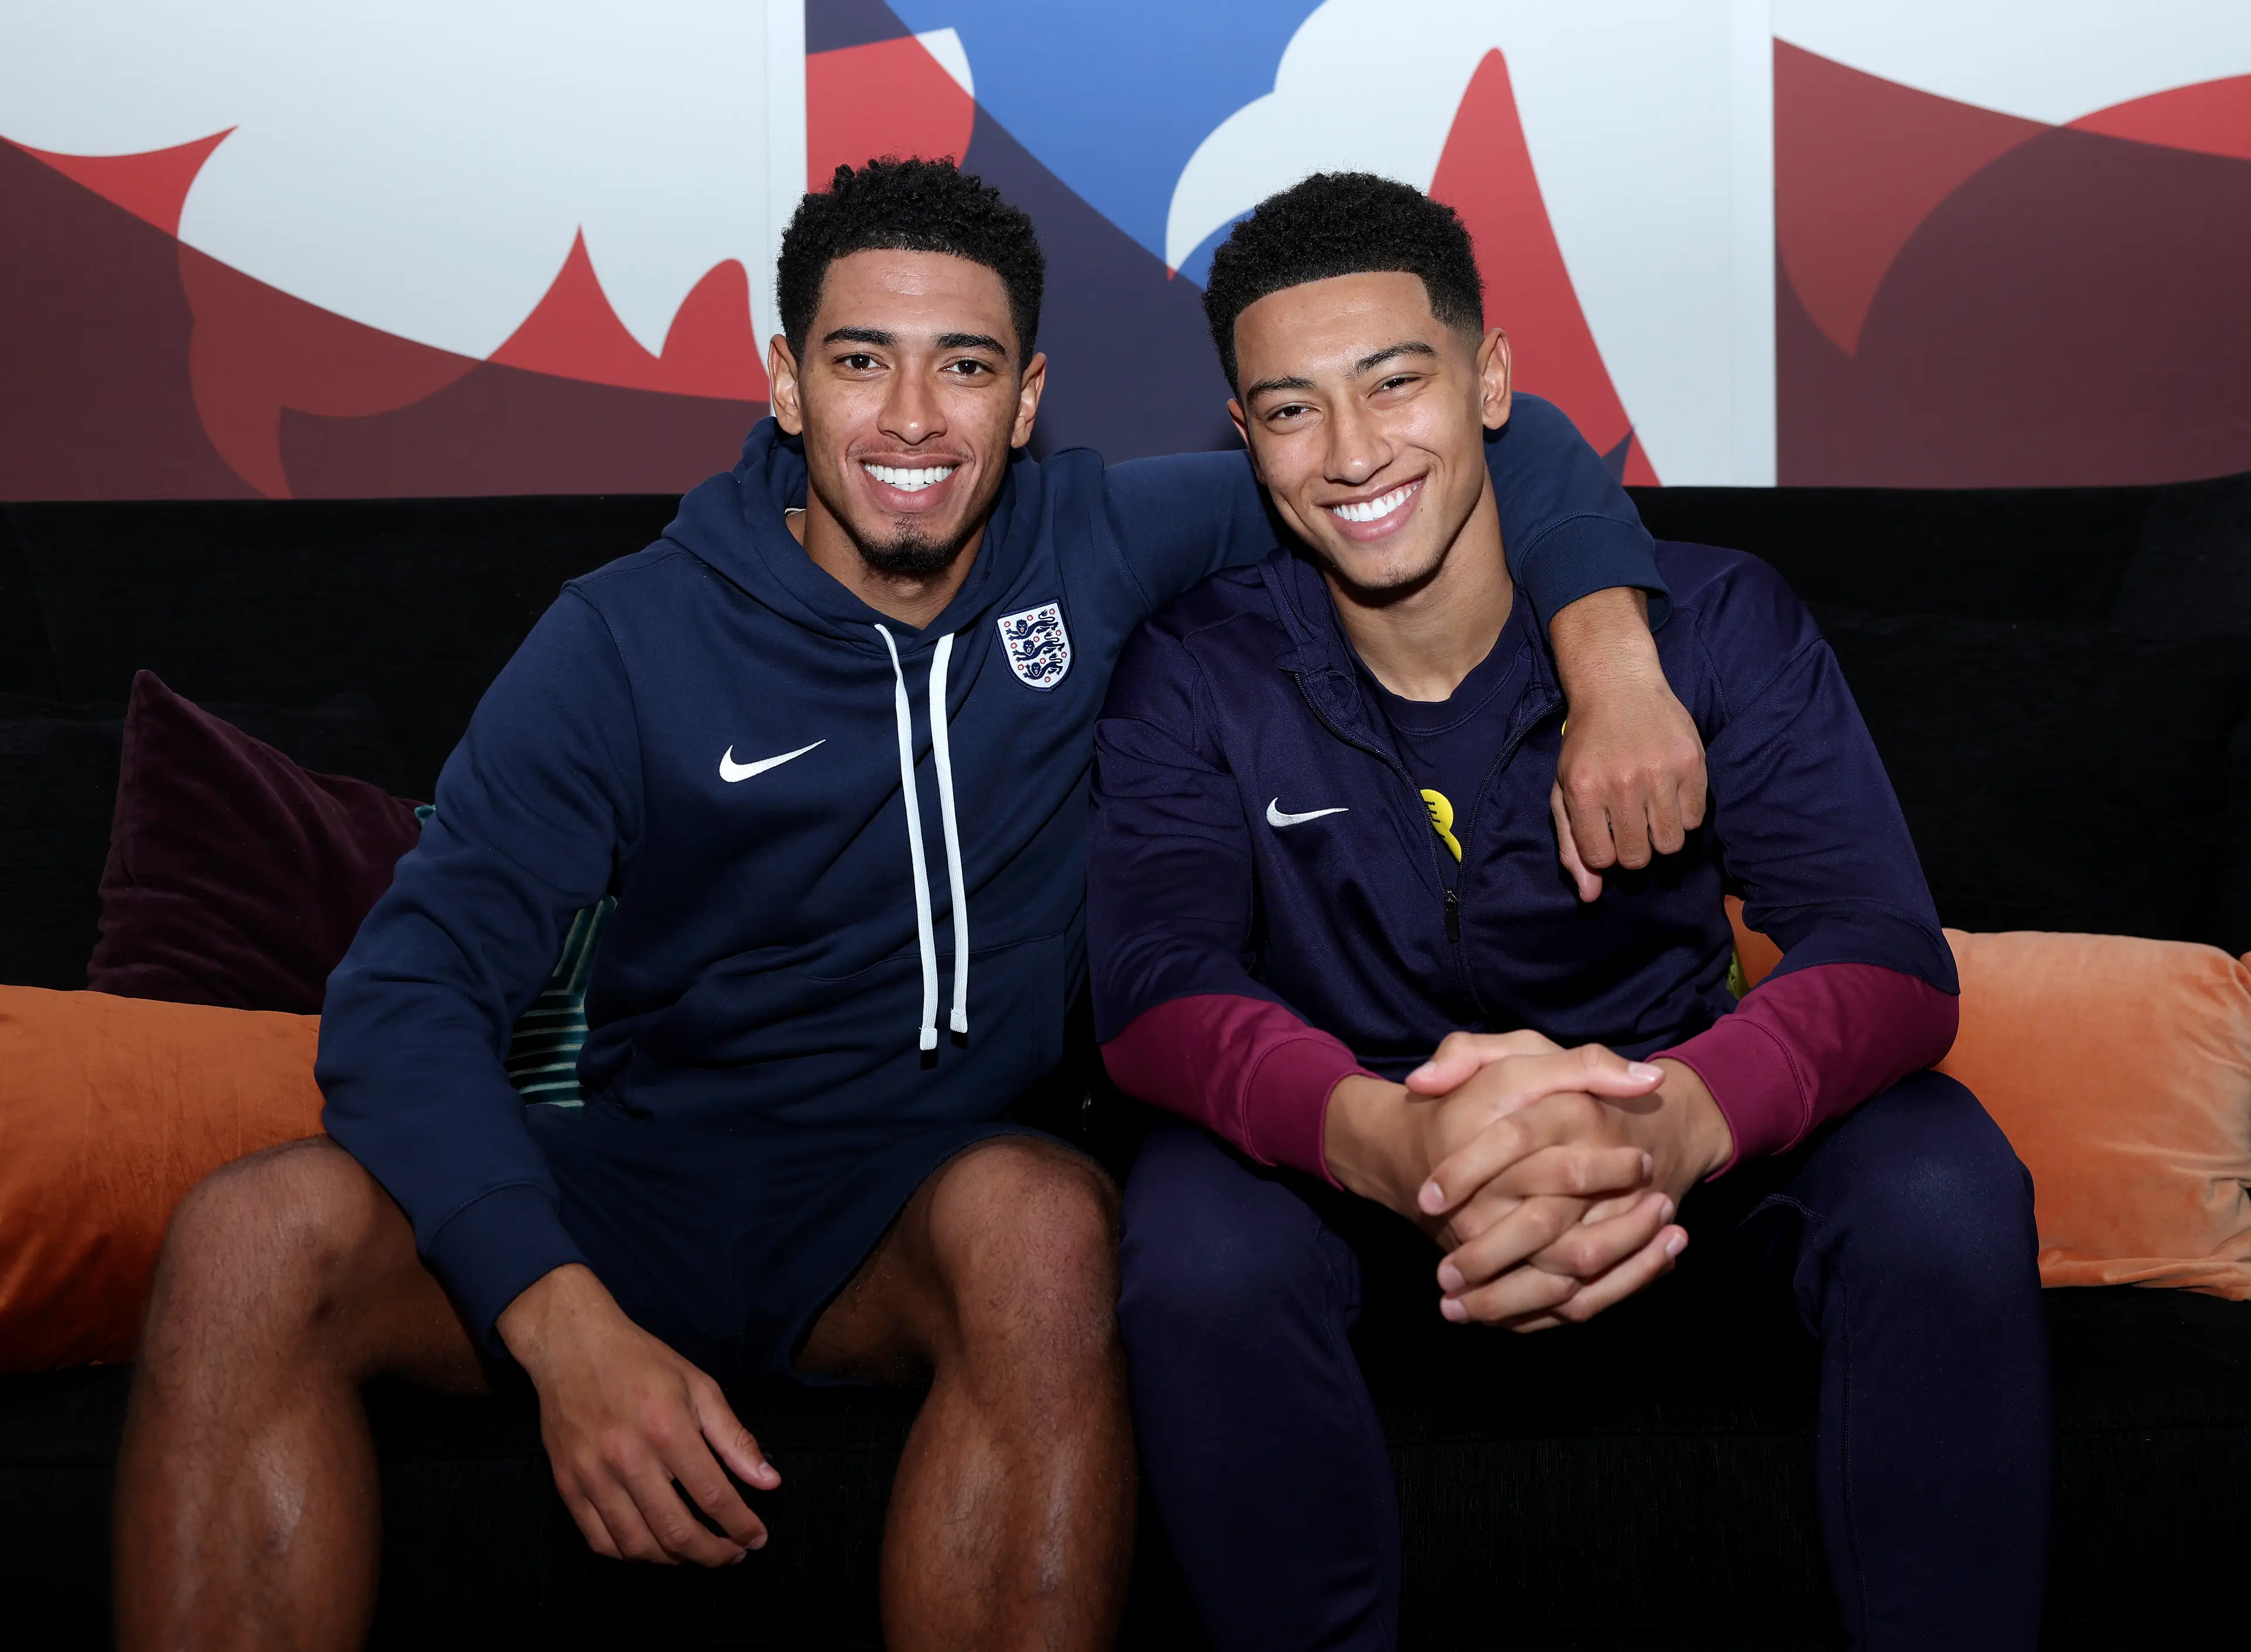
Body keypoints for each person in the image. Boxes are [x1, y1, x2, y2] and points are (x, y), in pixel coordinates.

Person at [112, 159, 1709, 1652]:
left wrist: (1615, 664)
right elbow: (405, 998)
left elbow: (1508, 444)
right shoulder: (623, 636)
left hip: (924, 1199)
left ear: (1024, 402)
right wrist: (559, 1323)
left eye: (964, 366)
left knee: (1045, 1225)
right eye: (862, 361)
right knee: (250, 1236)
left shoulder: (1093, 541)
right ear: (787, 379)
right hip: (649, 1178)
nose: (912, 415)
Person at [1090, 172, 2052, 1651]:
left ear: (1490, 382)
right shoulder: (1197, 666)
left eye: (1394, 382)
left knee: (1941, 1174)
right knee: (1194, 1224)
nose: (1351, 453)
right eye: (1290, 409)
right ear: (1243, 433)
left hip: (1685, 1175)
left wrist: (1675, 1116)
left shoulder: (1712, 624)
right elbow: (1152, 984)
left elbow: (1890, 953)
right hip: (1371, 1192)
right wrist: (1380, 1130)